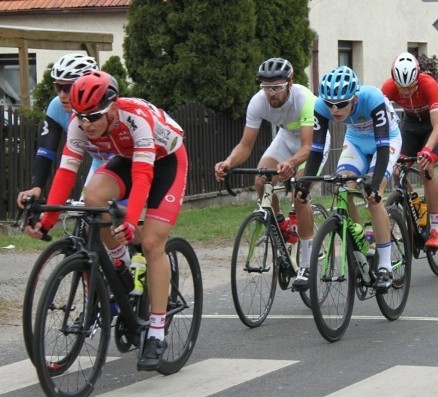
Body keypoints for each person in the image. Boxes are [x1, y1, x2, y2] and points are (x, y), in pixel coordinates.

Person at [24, 71, 188, 371]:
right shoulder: (79, 124)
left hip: (166, 160)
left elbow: (142, 177)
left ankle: (155, 330)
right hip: (128, 158)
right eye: (80, 117)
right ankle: (121, 266)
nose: (85, 124)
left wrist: (132, 220)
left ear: (112, 108)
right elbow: (66, 172)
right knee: (93, 199)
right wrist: (46, 221)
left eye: (93, 117)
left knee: (151, 242)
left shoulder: (136, 119)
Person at [214, 57, 330, 289]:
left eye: (276, 87)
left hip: (313, 144)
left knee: (299, 193)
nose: (271, 93)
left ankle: (306, 263)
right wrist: (228, 162)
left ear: (290, 82)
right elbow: (245, 145)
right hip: (286, 138)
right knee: (261, 180)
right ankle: (281, 225)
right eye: (266, 88)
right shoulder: (258, 102)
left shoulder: (305, 99)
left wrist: (290, 164)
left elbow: (307, 147)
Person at [303, 66, 402, 291]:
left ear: (354, 97)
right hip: (356, 141)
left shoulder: (372, 98)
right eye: (330, 105)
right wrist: (306, 185)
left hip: (386, 141)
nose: (334, 110)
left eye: (341, 104)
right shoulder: (322, 106)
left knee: (373, 196)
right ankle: (360, 239)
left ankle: (385, 266)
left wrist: (374, 184)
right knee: (342, 185)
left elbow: (383, 147)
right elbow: (316, 151)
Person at [16, 53, 106, 206]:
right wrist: (36, 187)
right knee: (87, 219)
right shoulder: (56, 106)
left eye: (68, 88)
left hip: (127, 162)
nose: (62, 95)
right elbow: (46, 151)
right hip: (99, 162)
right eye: (58, 87)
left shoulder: (105, 105)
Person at [381, 52, 438, 249]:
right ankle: (416, 204)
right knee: (396, 170)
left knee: (427, 169)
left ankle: (436, 227)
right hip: (410, 125)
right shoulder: (388, 88)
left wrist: (427, 150)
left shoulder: (428, 84)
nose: (406, 92)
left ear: (417, 79)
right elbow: (379, 122)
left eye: (410, 87)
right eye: (402, 88)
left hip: (431, 126)